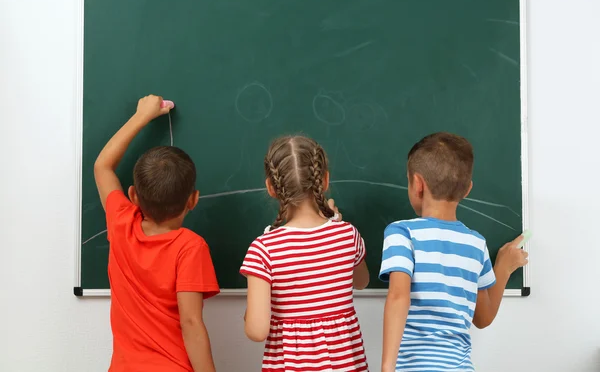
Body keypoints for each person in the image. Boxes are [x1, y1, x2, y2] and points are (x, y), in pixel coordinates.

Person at [379, 132, 528, 372]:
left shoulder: (402, 233)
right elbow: (483, 318)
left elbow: (398, 297)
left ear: (417, 184)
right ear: (467, 189)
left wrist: (387, 368)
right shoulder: (476, 244)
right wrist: (503, 267)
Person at [94, 95, 220, 372]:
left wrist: (142, 116)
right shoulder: (190, 247)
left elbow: (102, 166)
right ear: (193, 200)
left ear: (132, 195)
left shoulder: (121, 223)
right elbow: (191, 323)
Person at [240, 135, 370, 371]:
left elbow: (257, 331)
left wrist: (250, 313)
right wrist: (336, 222)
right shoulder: (347, 234)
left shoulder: (264, 249)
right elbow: (362, 281)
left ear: (271, 187)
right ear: (325, 180)